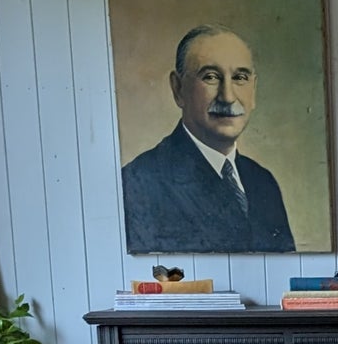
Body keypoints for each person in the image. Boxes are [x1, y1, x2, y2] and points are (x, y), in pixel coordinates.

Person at [122, 24, 296, 254]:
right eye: (211, 77)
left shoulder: (263, 182)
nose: (228, 96)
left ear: (253, 90)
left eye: (240, 77)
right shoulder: (139, 182)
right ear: (178, 89)